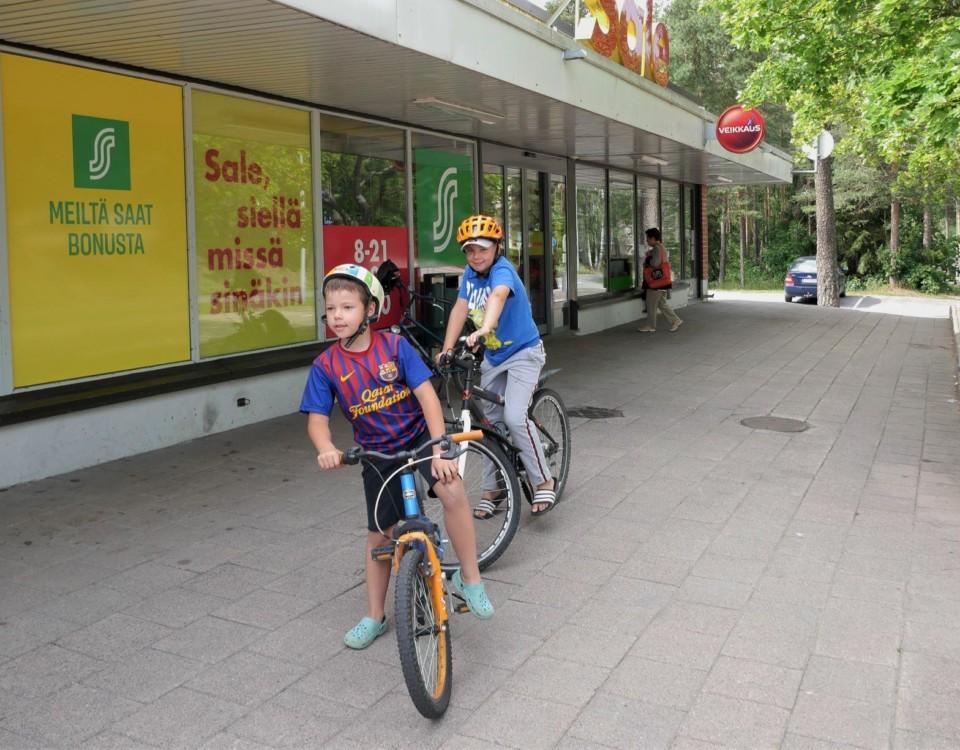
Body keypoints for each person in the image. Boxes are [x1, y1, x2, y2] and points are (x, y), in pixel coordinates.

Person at [301, 263, 493, 650]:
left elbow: (427, 398)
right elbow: (317, 420)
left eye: (347, 307)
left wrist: (439, 448)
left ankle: (469, 578)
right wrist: (326, 449)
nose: (338, 316)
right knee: (379, 535)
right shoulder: (326, 366)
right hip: (376, 453)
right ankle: (375, 615)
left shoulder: (394, 347)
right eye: (331, 308)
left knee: (452, 489)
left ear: (370, 310)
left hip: (419, 439)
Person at [437, 215, 557, 517]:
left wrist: (483, 329)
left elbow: (498, 297)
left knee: (514, 417)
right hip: (493, 357)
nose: (476, 256)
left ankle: (543, 478)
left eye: (482, 249)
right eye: (469, 250)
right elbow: (460, 307)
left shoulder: (503, 271)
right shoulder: (469, 273)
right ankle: (494, 488)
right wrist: (447, 349)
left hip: (524, 354)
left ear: (497, 248)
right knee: (489, 424)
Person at [637, 227, 683, 333]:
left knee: (651, 304)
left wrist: (648, 260)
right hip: (663, 282)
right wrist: (650, 253)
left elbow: (655, 263)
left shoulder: (657, 248)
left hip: (656, 282)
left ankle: (650, 326)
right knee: (661, 304)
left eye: (648, 239)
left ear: (653, 238)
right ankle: (675, 320)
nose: (647, 241)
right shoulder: (660, 247)